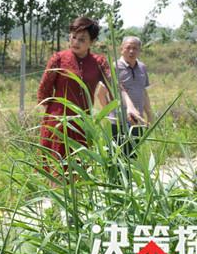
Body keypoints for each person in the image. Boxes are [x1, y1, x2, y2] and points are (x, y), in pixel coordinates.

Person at [37, 17, 140, 178]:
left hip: (82, 123)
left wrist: (130, 106)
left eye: (82, 39)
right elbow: (44, 91)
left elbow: (115, 86)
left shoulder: (98, 62)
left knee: (79, 172)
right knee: (58, 174)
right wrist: (54, 117)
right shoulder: (58, 58)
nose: (75, 42)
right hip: (58, 123)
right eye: (73, 37)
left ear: (91, 41)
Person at [99, 36, 153, 158]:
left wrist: (149, 114)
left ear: (139, 50)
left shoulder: (142, 68)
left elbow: (143, 92)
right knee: (117, 159)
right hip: (118, 123)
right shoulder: (114, 67)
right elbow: (101, 94)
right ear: (121, 49)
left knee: (133, 158)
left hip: (137, 121)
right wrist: (110, 114)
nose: (131, 51)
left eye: (135, 48)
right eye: (128, 48)